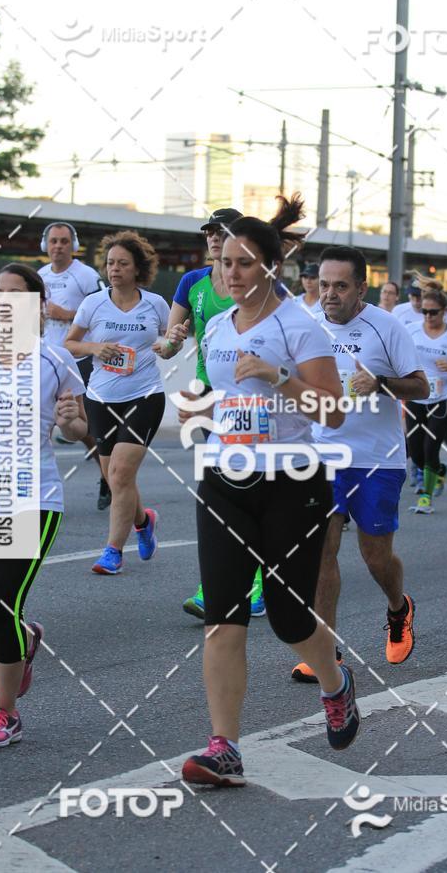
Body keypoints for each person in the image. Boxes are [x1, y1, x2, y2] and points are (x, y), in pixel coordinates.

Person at [181, 197, 361, 787]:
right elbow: (224, 398)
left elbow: (332, 413)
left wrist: (278, 378)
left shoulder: (298, 327)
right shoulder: (213, 325)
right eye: (226, 262)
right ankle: (223, 748)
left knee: (287, 619)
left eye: (245, 263)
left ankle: (334, 682)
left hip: (294, 482)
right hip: (225, 478)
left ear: (270, 268)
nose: (231, 273)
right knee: (222, 617)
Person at [291, 245, 429, 685]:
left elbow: (422, 387)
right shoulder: (305, 325)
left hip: (377, 459)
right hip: (322, 453)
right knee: (321, 551)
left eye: (340, 286)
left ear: (361, 288)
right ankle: (323, 651)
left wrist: (383, 383)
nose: (329, 294)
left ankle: (397, 607)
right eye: (325, 284)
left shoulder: (386, 327)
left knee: (375, 556)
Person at [0, 263, 87, 747]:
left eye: (17, 295)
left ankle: (6, 714)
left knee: (1, 603)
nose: (6, 303)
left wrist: (69, 421)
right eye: (0, 294)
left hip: (27, 497)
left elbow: (80, 431)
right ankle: (26, 636)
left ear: (37, 306)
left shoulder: (55, 361)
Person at [160, 209, 265, 619]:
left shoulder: (256, 282)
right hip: (207, 394)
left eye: (221, 233)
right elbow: (170, 343)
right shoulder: (192, 283)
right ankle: (220, 585)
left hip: (247, 395)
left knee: (243, 487)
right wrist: (170, 342)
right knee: (221, 488)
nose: (213, 239)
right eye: (209, 233)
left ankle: (254, 585)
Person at [65, 231, 170, 576]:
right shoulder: (93, 303)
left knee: (122, 473)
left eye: (122, 263)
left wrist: (171, 344)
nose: (114, 269)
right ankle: (143, 520)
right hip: (100, 397)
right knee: (114, 478)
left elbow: (170, 343)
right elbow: (70, 342)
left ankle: (112, 551)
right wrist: (95, 349)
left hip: (145, 395)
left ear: (138, 268)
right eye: (110, 263)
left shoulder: (155, 303)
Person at [38, 221, 111, 510]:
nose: (58, 246)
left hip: (78, 361)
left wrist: (66, 313)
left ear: (74, 245)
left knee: (84, 428)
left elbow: (103, 308)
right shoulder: (40, 275)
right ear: (45, 246)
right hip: (45, 359)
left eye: (64, 242)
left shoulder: (85, 275)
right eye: (53, 241)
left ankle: (107, 474)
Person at [405, 283, 447, 514]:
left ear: (444, 311)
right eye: (424, 311)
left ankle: (425, 497)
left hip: (444, 398)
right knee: (415, 449)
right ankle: (438, 470)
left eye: (434, 312)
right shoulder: (411, 330)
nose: (429, 316)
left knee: (431, 447)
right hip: (416, 395)